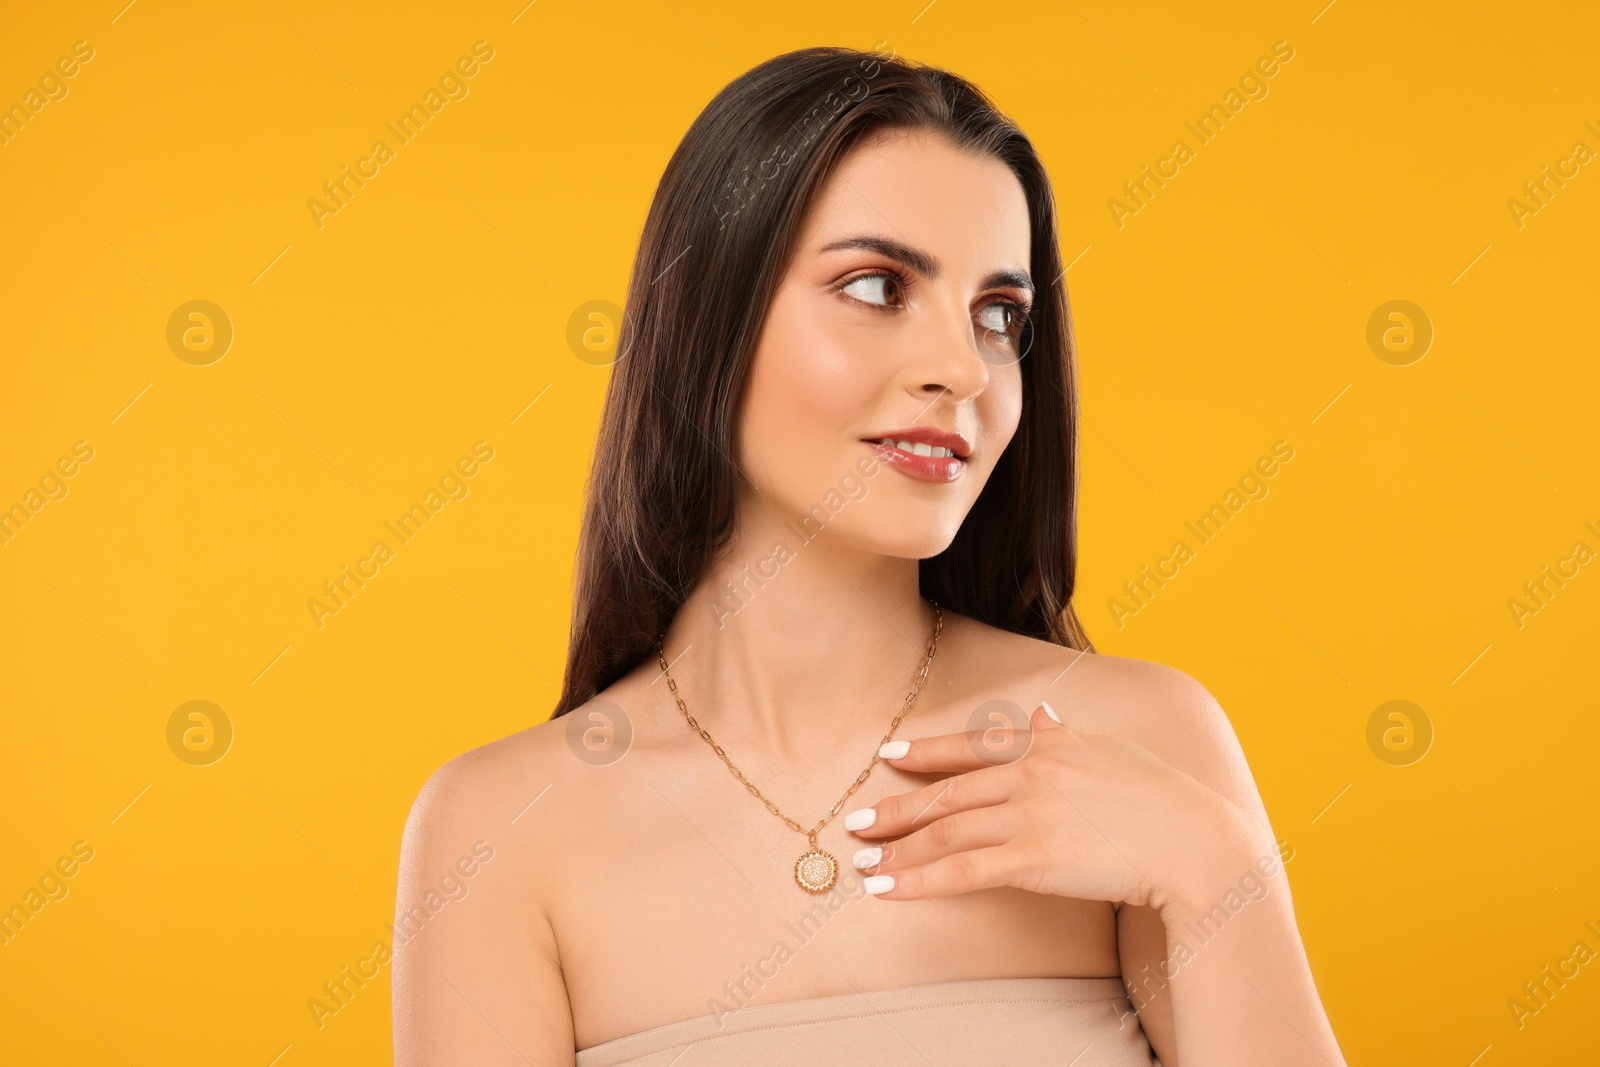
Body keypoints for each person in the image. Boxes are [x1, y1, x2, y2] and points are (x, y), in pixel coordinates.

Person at [392, 45, 1347, 1066]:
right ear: (709, 319)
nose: (959, 369)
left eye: (998, 316)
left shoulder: (1137, 740)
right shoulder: (498, 832)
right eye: (876, 285)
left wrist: (1218, 865)